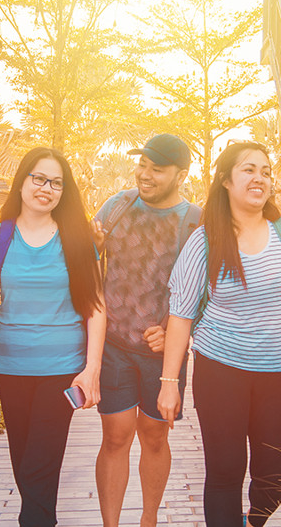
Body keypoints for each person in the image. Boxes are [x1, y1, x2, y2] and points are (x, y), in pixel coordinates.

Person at [158, 141, 281, 527]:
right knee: (225, 471)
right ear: (225, 181)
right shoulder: (204, 242)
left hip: (278, 374)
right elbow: (181, 317)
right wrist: (170, 383)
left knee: (275, 476)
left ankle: (254, 521)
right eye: (249, 169)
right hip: (221, 372)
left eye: (266, 171)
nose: (260, 178)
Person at [0, 147, 106, 527]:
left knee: (41, 461)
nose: (47, 188)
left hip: (62, 368)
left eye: (56, 182)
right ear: (22, 181)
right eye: (39, 178)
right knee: (24, 462)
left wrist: (92, 369)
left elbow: (96, 307)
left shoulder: (76, 237)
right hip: (11, 365)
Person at [92, 133, 200, 527]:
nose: (145, 175)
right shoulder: (117, 206)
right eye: (143, 166)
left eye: (157, 169)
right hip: (115, 344)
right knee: (116, 435)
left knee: (154, 437)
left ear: (180, 175)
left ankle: (149, 520)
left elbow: (205, 289)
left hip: (163, 354)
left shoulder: (194, 220)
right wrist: (93, 245)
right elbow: (86, 263)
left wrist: (175, 329)